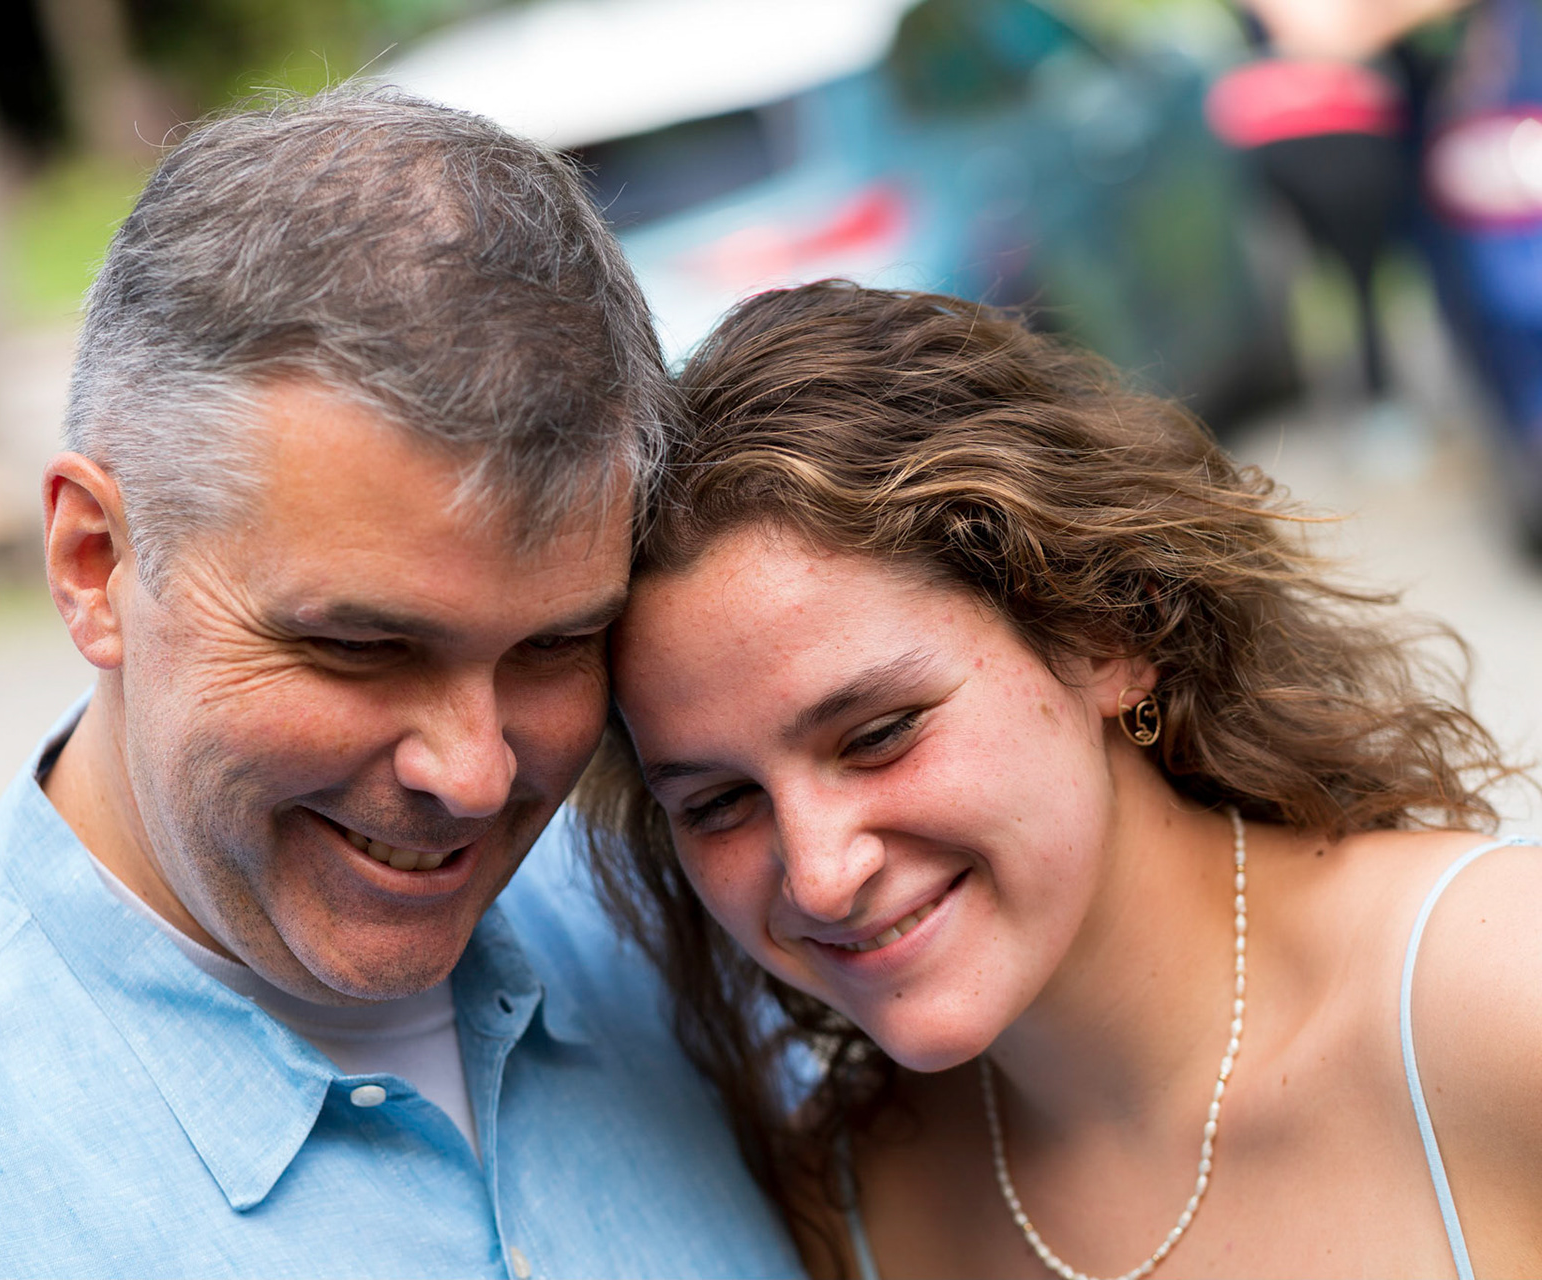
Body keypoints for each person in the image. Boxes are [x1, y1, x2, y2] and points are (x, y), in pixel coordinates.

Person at [0, 89, 801, 1279]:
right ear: (94, 561)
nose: (475, 769)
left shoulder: (710, 935)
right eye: (360, 648)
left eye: (554, 646)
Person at [580, 281, 1541, 1279]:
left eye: (877, 734)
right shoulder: (846, 1198)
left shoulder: (1499, 1004)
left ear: (1106, 630)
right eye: (719, 802)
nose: (819, 874)